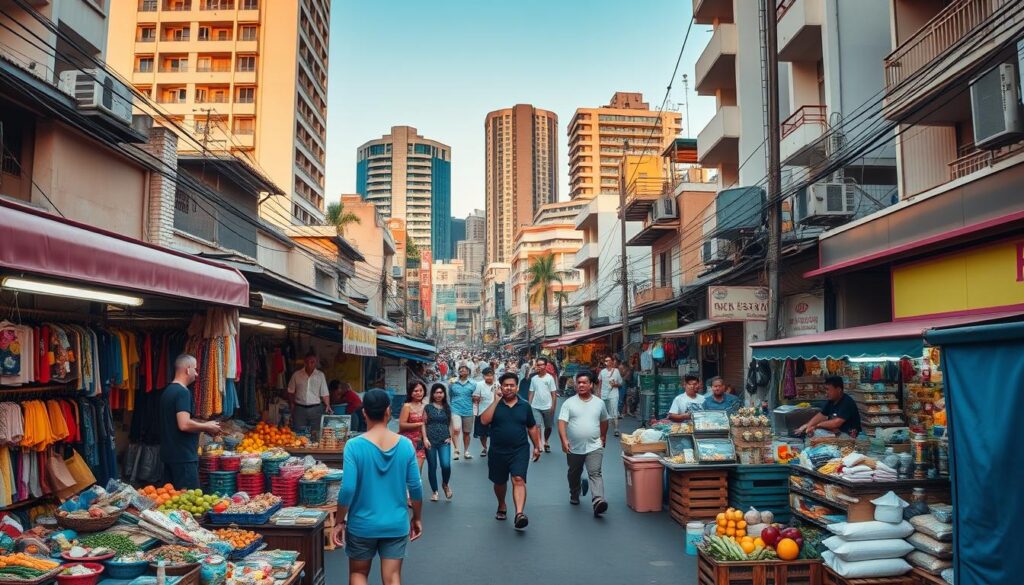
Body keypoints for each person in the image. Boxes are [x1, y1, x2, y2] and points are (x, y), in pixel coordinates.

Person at [333, 390, 423, 585]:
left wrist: (339, 521)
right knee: (392, 578)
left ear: (364, 413)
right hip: (395, 523)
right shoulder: (406, 445)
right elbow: (415, 487)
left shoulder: (353, 446)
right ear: (388, 411)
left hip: (362, 524)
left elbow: (348, 489)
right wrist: (416, 517)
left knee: (358, 574)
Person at [481, 372, 542, 531]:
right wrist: (496, 400)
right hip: (497, 451)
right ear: (500, 386)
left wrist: (537, 446)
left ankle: (519, 513)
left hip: (520, 449)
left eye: (512, 385)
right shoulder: (496, 405)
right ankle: (502, 504)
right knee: (499, 482)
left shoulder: (524, 405)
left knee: (518, 479)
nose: (509, 388)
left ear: (517, 387)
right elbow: (484, 420)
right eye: (506, 385)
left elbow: (531, 426)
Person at [159, 354, 222, 489]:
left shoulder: (167, 391)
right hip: (183, 457)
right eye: (195, 369)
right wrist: (206, 426)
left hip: (169, 456)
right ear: (188, 369)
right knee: (189, 502)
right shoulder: (183, 392)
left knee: (171, 500)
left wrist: (201, 423)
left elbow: (175, 421)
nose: (197, 373)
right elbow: (184, 424)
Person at [558, 370, 609, 516]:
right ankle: (575, 492)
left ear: (591, 385)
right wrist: (564, 440)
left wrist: (603, 436)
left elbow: (604, 421)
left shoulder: (599, 403)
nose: (581, 385)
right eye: (578, 382)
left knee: (595, 473)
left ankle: (598, 500)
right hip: (574, 446)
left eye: (584, 382)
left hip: (594, 445)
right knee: (574, 473)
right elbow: (562, 422)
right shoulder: (569, 403)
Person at [796, 376, 863, 437]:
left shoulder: (847, 402)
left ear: (839, 390)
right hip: (837, 434)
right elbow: (821, 415)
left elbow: (836, 423)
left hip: (849, 437)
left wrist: (817, 426)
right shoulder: (831, 401)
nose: (826, 392)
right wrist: (807, 426)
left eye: (828, 389)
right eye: (826, 389)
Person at [287, 352, 333, 433]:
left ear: (316, 362)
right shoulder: (296, 375)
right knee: (299, 433)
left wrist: (328, 405)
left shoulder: (320, 375)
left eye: (312, 362)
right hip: (299, 409)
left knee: (316, 433)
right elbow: (291, 391)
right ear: (304, 362)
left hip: (316, 409)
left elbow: (325, 393)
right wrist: (292, 404)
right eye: (307, 362)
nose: (309, 364)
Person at [424, 383, 454, 502]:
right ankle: (435, 491)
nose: (438, 395)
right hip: (430, 440)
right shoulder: (428, 408)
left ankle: (445, 484)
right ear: (432, 394)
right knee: (432, 466)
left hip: (444, 440)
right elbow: (423, 423)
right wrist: (425, 438)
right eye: (436, 392)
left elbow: (451, 423)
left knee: (446, 465)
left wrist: (450, 436)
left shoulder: (448, 408)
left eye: (441, 392)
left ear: (444, 394)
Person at [528, 357, 559, 453]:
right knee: (537, 426)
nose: (540, 366)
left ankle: (546, 441)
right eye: (538, 365)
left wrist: (553, 406)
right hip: (535, 406)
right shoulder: (534, 379)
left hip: (547, 406)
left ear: (545, 366)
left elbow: (553, 393)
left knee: (548, 427)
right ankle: (539, 443)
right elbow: (531, 392)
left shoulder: (550, 378)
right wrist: (528, 405)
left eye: (542, 364)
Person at [398, 382, 429, 472]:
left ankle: (415, 486)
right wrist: (418, 424)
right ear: (411, 393)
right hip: (407, 442)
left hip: (420, 441)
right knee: (406, 471)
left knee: (417, 471)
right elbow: (402, 425)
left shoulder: (426, 406)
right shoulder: (407, 406)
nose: (419, 393)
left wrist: (426, 438)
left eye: (421, 390)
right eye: (416, 391)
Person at [448, 365, 476, 460]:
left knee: (467, 432)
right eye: (460, 370)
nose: (462, 371)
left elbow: (475, 396)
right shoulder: (452, 382)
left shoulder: (473, 383)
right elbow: (450, 394)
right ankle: (456, 450)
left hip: (468, 410)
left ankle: (466, 451)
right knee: (456, 429)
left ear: (468, 372)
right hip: (455, 408)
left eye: (464, 370)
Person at [472, 367, 499, 457]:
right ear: (483, 376)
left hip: (496, 412)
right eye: (487, 375)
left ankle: (494, 448)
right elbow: (474, 397)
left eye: (491, 375)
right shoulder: (479, 385)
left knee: (496, 432)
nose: (489, 377)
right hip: (482, 411)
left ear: (493, 375)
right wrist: (477, 398)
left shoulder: (498, 384)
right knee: (482, 433)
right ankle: (485, 448)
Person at [597, 356, 624, 437]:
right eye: (605, 361)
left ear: (612, 362)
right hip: (604, 394)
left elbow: (620, 383)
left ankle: (616, 429)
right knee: (603, 412)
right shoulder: (602, 372)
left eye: (608, 361)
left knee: (614, 411)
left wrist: (615, 384)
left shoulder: (616, 371)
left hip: (613, 394)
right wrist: (598, 393)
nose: (607, 362)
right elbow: (600, 383)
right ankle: (602, 429)